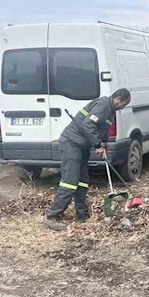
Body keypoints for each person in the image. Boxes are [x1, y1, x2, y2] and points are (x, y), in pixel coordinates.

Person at [45, 88, 131, 231]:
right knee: (70, 182)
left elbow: (101, 128)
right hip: (71, 143)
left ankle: (82, 215)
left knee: (82, 181)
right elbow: (88, 124)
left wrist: (104, 143)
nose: (123, 107)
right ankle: (52, 216)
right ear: (118, 99)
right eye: (124, 104)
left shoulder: (110, 111)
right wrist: (97, 144)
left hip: (81, 146)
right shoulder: (104, 105)